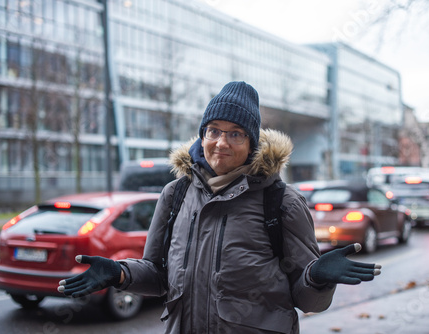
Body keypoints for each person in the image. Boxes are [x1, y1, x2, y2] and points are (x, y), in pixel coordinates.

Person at [58, 81, 381, 333]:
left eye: (235, 134)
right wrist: (121, 272)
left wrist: (317, 277)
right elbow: (159, 275)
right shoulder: (176, 193)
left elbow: (307, 300)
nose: (221, 143)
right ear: (202, 135)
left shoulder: (280, 201)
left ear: (252, 142)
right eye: (213, 131)